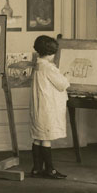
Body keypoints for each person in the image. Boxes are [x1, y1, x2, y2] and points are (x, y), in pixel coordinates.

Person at [29, 35, 70, 179]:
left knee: (37, 137)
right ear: (51, 53)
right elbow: (63, 84)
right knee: (45, 138)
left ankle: (36, 168)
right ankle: (50, 170)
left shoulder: (38, 65)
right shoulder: (48, 68)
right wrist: (66, 75)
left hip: (38, 107)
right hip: (47, 108)